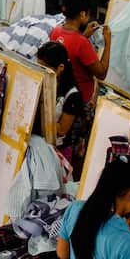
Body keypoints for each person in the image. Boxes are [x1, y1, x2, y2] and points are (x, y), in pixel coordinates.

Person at [36, 41, 93, 173]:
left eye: (44, 68)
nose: (40, 71)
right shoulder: (40, 81)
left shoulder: (72, 95)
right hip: (38, 143)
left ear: (60, 67)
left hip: (55, 151)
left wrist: (38, 115)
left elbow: (62, 129)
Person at [48, 0, 111, 104]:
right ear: (82, 14)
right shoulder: (82, 43)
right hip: (78, 101)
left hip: (60, 94)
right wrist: (108, 43)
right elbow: (101, 74)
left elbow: (70, 50)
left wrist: (84, 36)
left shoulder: (56, 31)